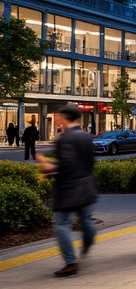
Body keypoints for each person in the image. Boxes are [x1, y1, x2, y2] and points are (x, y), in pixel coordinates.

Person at [36, 104, 97, 277]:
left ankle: (71, 262)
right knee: (86, 219)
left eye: (60, 117)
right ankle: (88, 242)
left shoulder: (64, 139)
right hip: (86, 185)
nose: (59, 120)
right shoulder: (87, 137)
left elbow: (66, 165)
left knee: (61, 224)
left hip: (68, 188)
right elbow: (90, 162)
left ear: (64, 118)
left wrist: (46, 166)